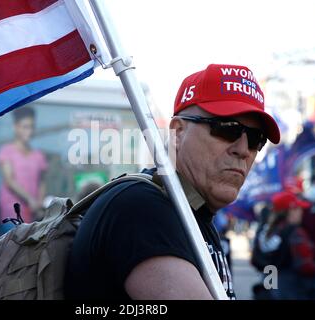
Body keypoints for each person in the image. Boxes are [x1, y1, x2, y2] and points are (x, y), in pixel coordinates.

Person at [65, 63, 281, 300]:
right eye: (227, 129)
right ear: (178, 132)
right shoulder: (142, 208)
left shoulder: (193, 214)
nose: (243, 150)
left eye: (255, 139)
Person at [257, 191, 315, 300]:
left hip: (271, 286)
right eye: (298, 208)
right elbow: (306, 266)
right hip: (294, 290)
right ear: (290, 211)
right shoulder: (295, 232)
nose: (301, 212)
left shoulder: (268, 231)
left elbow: (260, 262)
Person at [0, 107, 48, 228]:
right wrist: (30, 200)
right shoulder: (7, 151)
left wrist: (39, 204)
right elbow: (9, 181)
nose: (29, 131)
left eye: (31, 127)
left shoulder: (38, 155)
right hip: (12, 211)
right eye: (25, 126)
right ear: (16, 127)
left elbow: (42, 182)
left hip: (33, 214)